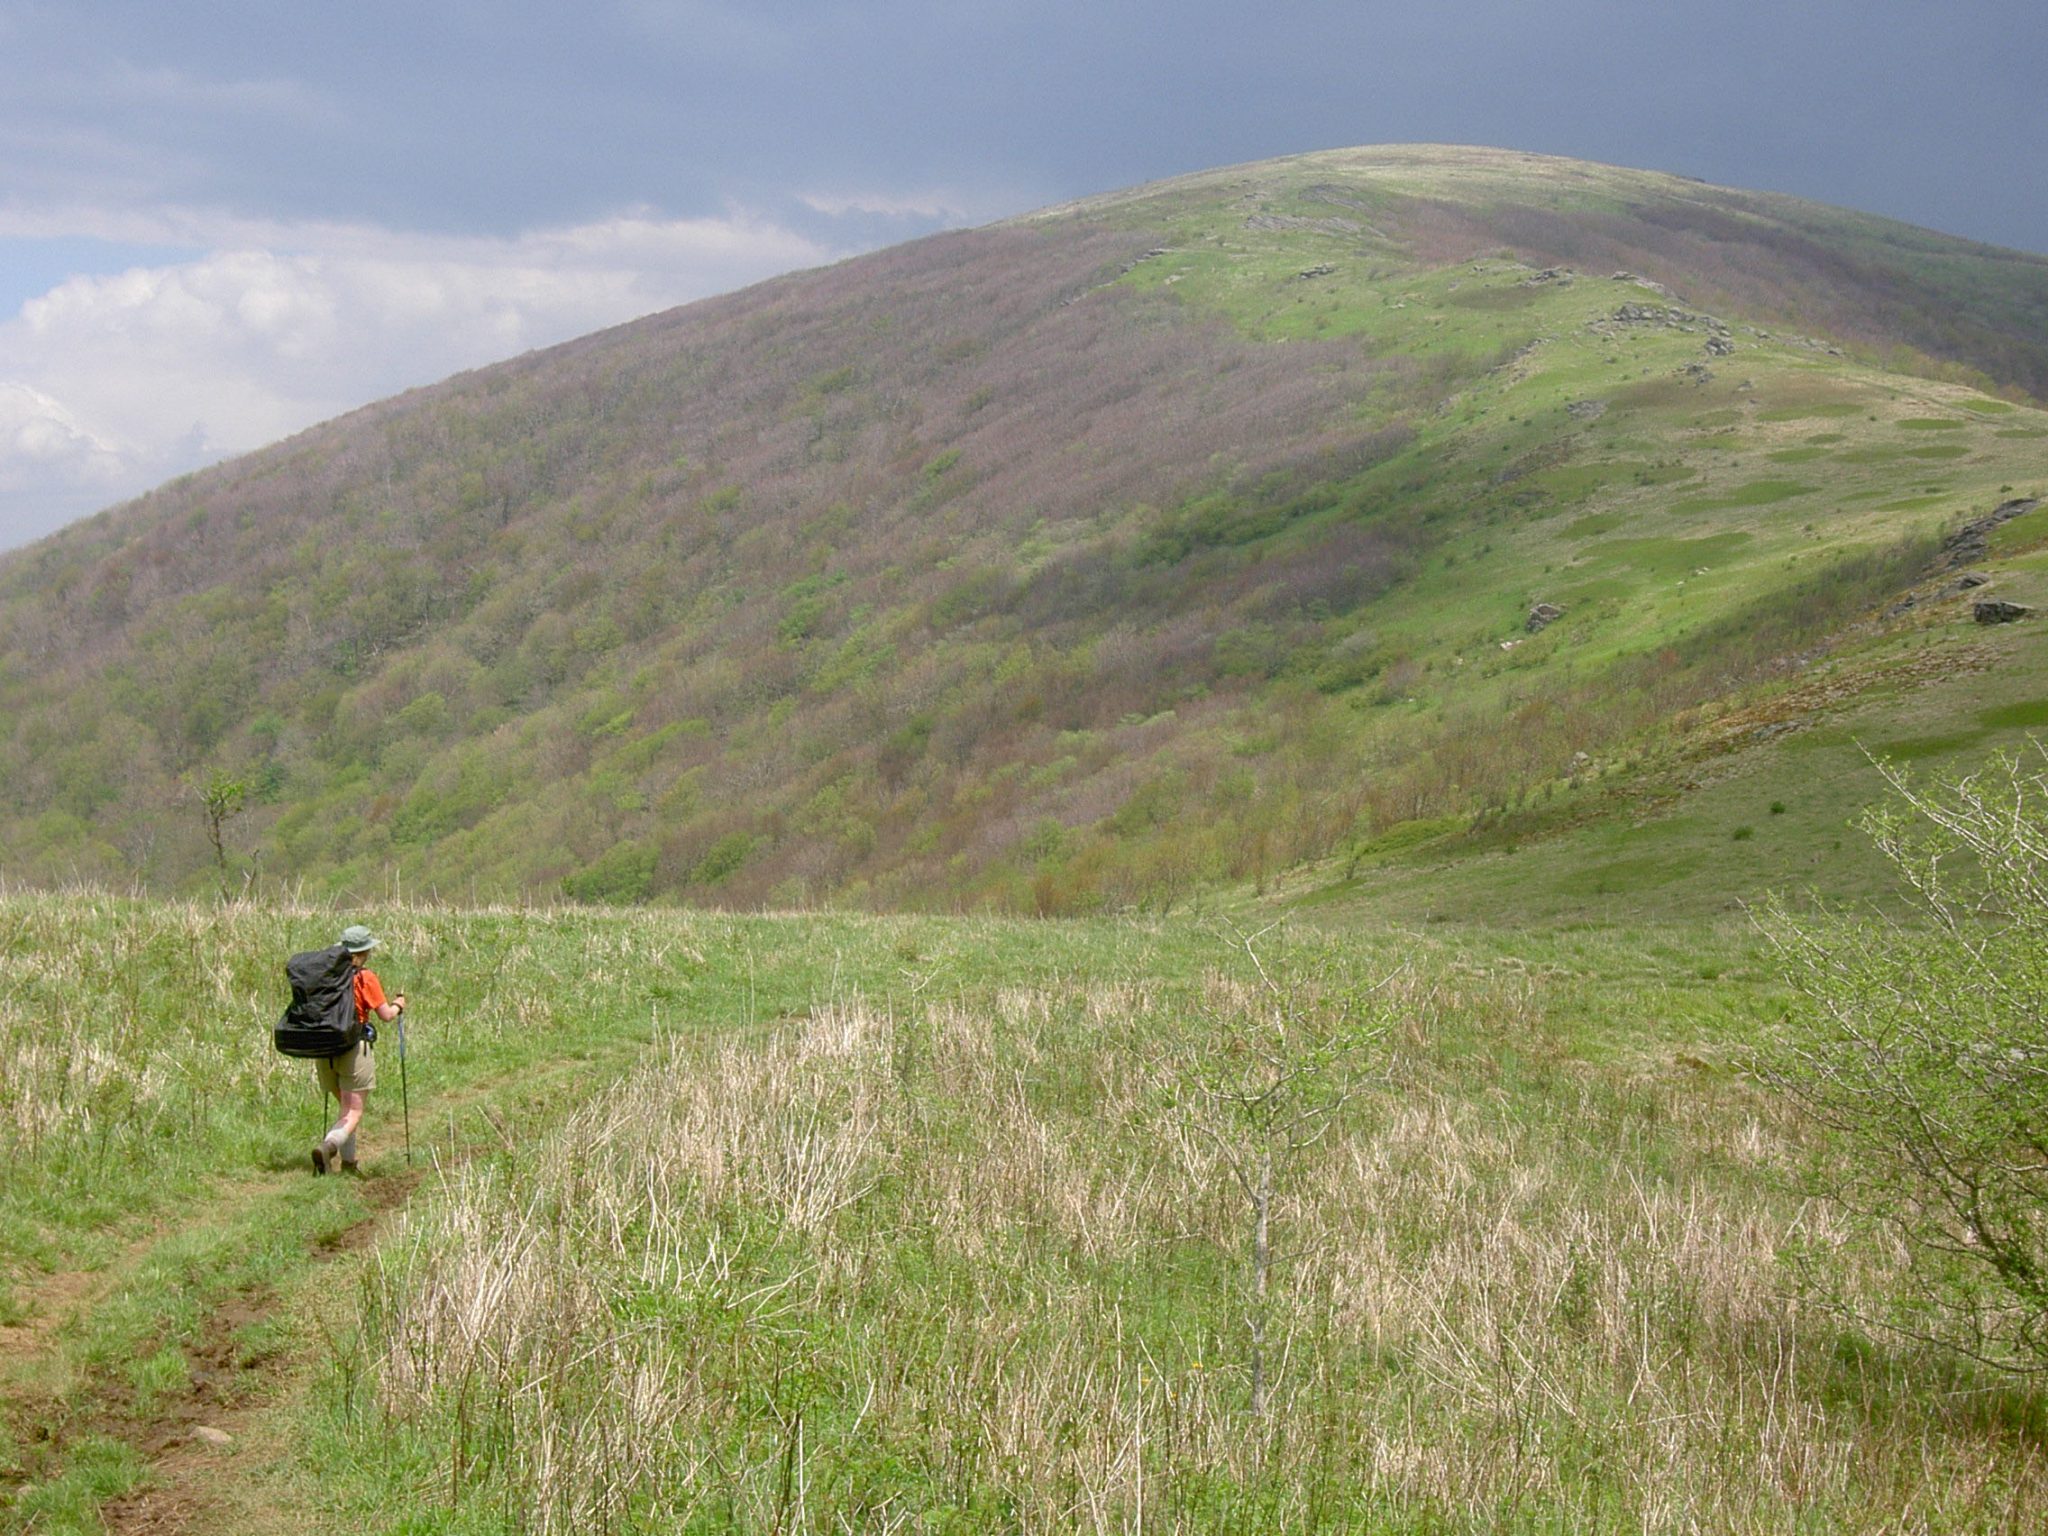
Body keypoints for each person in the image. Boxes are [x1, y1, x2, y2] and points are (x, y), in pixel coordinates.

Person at [313, 924, 405, 1176]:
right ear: (364, 952)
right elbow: (385, 1015)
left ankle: (349, 1164)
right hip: (354, 1049)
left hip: (324, 1049)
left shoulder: (326, 976)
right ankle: (328, 1148)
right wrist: (398, 1005)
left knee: (344, 1108)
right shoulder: (365, 978)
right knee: (353, 1111)